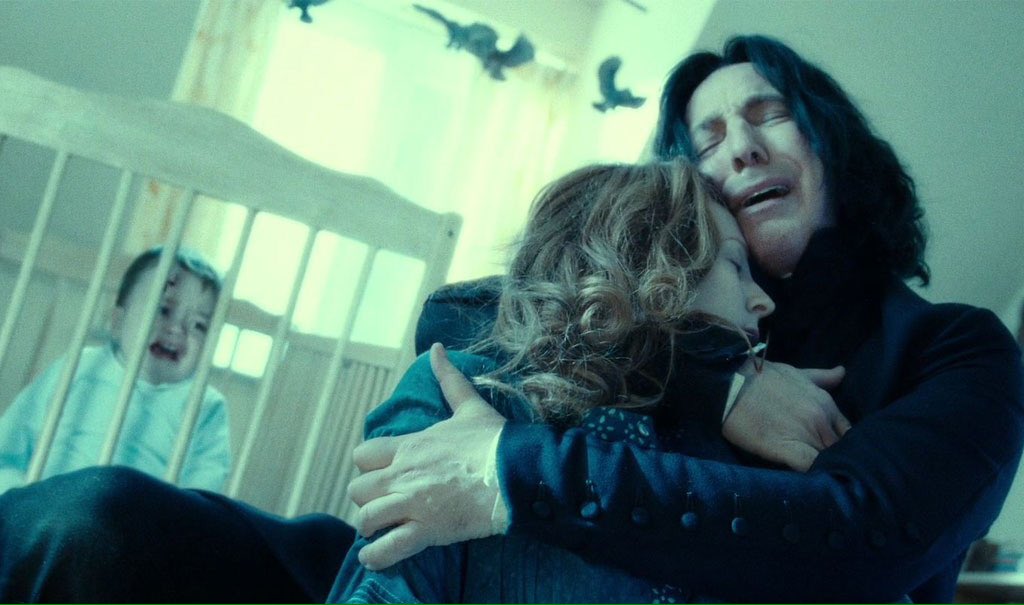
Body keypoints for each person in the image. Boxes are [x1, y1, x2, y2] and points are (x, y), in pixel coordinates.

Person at [343, 34, 1024, 603]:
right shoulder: (694, 313)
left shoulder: (960, 347)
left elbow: (863, 542)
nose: (743, 147)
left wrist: (513, 471)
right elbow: (455, 315)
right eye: (709, 139)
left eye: (772, 113)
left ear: (833, 142)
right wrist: (713, 381)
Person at [331, 159, 806, 603]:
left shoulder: (724, 446)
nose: (763, 301)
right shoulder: (469, 388)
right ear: (651, 259)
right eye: (735, 265)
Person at [0, 247, 231, 492]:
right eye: (163, 310)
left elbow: (204, 489)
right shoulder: (80, 367)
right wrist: (13, 490)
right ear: (118, 322)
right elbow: (13, 436)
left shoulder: (206, 405)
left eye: (199, 325)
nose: (177, 330)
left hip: (136, 513)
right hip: (49, 501)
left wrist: (170, 515)